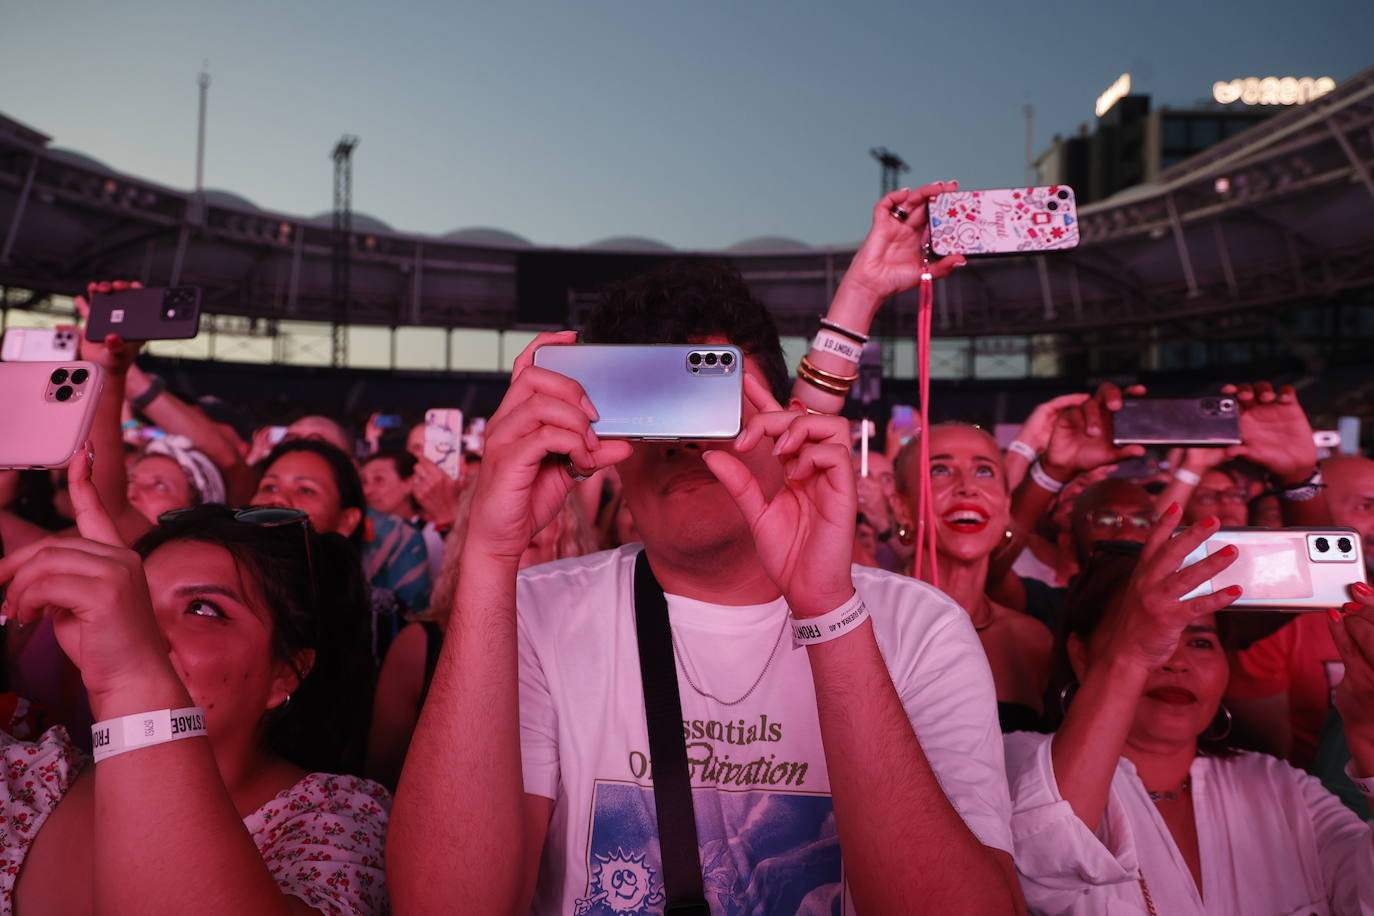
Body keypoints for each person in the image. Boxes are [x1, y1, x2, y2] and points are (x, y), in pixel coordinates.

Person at [389, 201, 1022, 915]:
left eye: (707, 399)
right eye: (650, 409)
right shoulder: (537, 611)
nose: (684, 442)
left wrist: (828, 611)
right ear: (602, 446)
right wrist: (488, 555)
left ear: (779, 419)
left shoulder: (920, 627)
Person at [0, 448, 389, 915]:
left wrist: (135, 684)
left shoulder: (338, 820)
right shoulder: (29, 775)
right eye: (136, 599)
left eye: (204, 609)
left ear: (285, 672)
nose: (137, 626)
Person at [1005, 509, 1374, 914]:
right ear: (1080, 654)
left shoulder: (1283, 789)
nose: (1175, 660)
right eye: (1152, 636)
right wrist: (1130, 657)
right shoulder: (1018, 761)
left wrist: (1371, 743)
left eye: (1200, 643)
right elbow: (1044, 866)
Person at [366, 486, 597, 790]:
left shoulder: (596, 650)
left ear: (567, 553)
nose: (509, 560)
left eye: (529, 545)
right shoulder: (419, 649)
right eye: (498, 546)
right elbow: (382, 785)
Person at [894, 423, 1053, 731]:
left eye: (984, 472)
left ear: (1006, 506)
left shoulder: (1033, 641)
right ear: (902, 508)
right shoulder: (862, 624)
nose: (967, 486)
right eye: (939, 470)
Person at [254, 439, 431, 660]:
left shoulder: (379, 623)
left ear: (347, 521)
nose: (277, 498)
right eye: (269, 486)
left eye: (306, 490)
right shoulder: (220, 594)